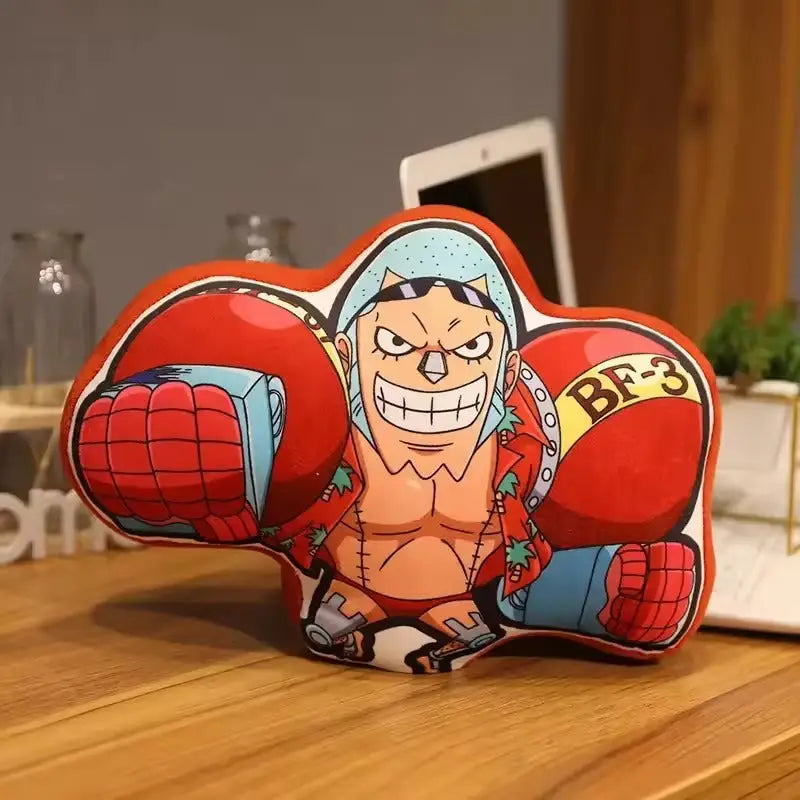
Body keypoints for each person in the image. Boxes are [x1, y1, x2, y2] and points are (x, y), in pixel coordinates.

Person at [72, 220, 705, 673]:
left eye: (468, 348)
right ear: (348, 355)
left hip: (486, 607)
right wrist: (196, 464)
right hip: (336, 612)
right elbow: (144, 445)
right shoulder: (297, 435)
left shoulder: (539, 446)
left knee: (643, 584)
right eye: (399, 344)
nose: (434, 368)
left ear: (508, 368)